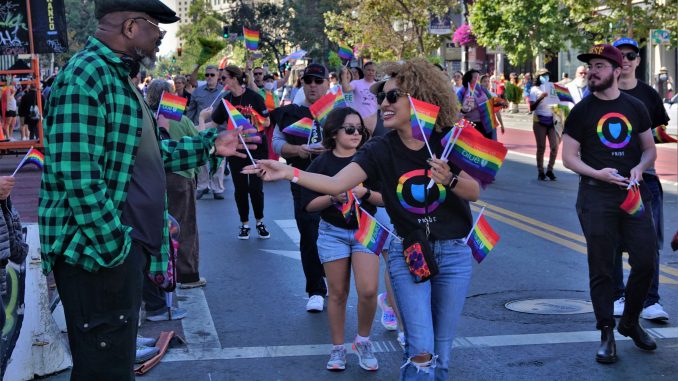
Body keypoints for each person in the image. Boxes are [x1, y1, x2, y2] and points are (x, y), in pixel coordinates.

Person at [37, 1, 259, 379]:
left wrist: (209, 144)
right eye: (155, 25)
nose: (160, 35)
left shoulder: (118, 77)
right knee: (102, 370)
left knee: (113, 366)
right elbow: (78, 175)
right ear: (129, 27)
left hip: (117, 251)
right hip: (96, 256)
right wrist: (116, 249)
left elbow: (149, 154)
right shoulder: (86, 76)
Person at [249, 58, 479, 380]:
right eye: (382, 96)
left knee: (441, 352)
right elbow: (335, 183)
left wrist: (450, 180)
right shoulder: (379, 149)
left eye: (392, 96)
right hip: (409, 251)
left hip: (454, 252)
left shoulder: (448, 139)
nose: (383, 103)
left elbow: (474, 191)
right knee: (421, 350)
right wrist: (289, 171)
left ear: (418, 96)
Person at [562, 44, 658, 365]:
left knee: (645, 260)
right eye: (591, 67)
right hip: (595, 196)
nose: (593, 71)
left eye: (601, 66)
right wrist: (598, 173)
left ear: (617, 71)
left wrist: (639, 167)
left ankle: (630, 321)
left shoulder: (635, 106)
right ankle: (607, 332)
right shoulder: (582, 111)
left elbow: (649, 150)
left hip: (632, 195)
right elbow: (569, 158)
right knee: (602, 266)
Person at [302, 107, 382, 371]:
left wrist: (366, 192)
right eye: (350, 129)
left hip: (365, 230)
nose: (356, 133)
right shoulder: (322, 164)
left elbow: (388, 199)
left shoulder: (369, 159)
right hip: (332, 233)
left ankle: (363, 340)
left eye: (360, 129)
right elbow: (308, 205)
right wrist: (332, 197)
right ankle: (338, 349)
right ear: (334, 132)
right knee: (337, 293)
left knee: (369, 290)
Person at [611, 37, 671, 321]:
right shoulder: (599, 92)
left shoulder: (649, 95)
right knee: (611, 240)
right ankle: (618, 295)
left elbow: (656, 138)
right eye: (620, 54)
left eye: (631, 55)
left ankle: (650, 300)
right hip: (610, 179)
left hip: (645, 178)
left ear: (638, 60)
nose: (625, 59)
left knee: (649, 243)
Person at [271, 63, 329, 312]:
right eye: (309, 81)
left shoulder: (339, 111)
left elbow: (359, 137)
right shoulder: (290, 112)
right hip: (301, 178)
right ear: (302, 84)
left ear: (327, 82)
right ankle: (315, 289)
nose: (313, 85)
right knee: (309, 233)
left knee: (340, 234)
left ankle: (337, 284)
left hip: (337, 179)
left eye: (318, 80)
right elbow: (275, 143)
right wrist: (298, 150)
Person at [212, 65, 272, 240]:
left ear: (234, 78)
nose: (221, 81)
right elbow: (214, 124)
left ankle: (260, 222)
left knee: (255, 187)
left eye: (224, 78)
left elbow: (267, 122)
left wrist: (253, 120)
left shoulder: (254, 97)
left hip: (256, 148)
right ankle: (244, 224)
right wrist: (201, 119)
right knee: (240, 188)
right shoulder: (226, 101)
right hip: (236, 149)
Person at [186, 64, 226, 200]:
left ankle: (217, 188)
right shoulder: (197, 92)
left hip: (219, 129)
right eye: (207, 75)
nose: (209, 77)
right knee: (202, 160)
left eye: (212, 75)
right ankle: (202, 186)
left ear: (218, 76)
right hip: (201, 129)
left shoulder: (224, 92)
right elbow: (191, 110)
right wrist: (188, 126)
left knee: (218, 159)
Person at [529, 68, 560, 181]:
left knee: (554, 147)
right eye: (543, 75)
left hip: (552, 120)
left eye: (547, 75)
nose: (546, 77)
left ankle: (550, 170)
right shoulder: (534, 89)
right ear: (538, 77)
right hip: (539, 121)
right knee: (541, 147)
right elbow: (531, 108)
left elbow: (557, 102)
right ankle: (540, 171)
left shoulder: (552, 87)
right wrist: (540, 98)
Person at [456, 69, 493, 139]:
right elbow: (457, 107)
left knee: (485, 146)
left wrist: (500, 103)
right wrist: (467, 108)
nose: (478, 79)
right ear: (469, 79)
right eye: (475, 77)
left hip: (485, 123)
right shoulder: (463, 91)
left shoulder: (483, 90)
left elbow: (492, 101)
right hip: (471, 124)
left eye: (478, 77)